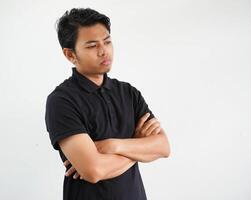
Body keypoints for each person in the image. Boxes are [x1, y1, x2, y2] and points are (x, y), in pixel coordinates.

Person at [45, 7, 171, 200]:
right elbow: (94, 170)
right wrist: (137, 146)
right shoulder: (62, 101)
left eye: (107, 41)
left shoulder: (128, 93)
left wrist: (112, 145)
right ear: (70, 55)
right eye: (92, 46)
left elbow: (163, 147)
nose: (104, 51)